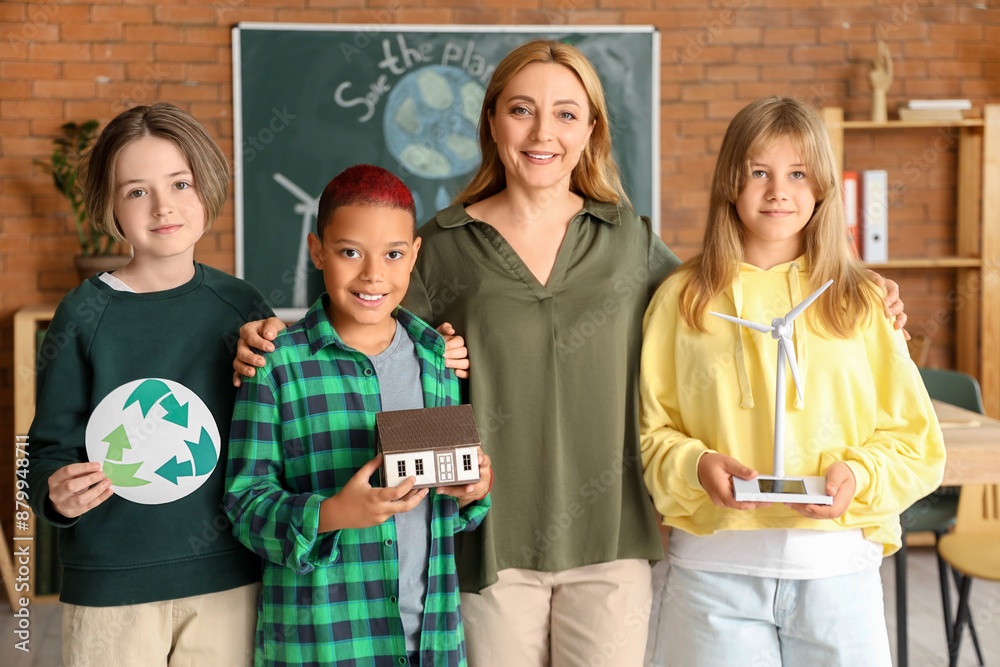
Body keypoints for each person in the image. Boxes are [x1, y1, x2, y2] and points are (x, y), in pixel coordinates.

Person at [233, 43, 908, 666]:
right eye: (521, 110)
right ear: (493, 120)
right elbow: (365, 338)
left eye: (565, 113)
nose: (541, 133)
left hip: (610, 539)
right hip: (484, 541)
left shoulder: (627, 238)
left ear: (591, 130)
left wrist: (845, 286)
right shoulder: (440, 243)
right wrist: (267, 339)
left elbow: (728, 306)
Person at [638, 97, 946, 666]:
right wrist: (696, 466)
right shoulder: (681, 301)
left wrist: (858, 473)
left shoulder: (862, 301)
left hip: (838, 578)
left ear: (823, 186)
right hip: (713, 575)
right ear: (731, 182)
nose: (779, 190)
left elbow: (916, 442)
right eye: (760, 172)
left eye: (798, 173)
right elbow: (649, 435)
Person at [26, 103, 272, 666]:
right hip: (113, 584)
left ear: (205, 185)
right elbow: (44, 451)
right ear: (109, 205)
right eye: (136, 191)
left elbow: (272, 431)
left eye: (180, 183)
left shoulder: (242, 305)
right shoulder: (83, 314)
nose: (164, 207)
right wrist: (52, 496)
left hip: (229, 575)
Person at [224, 164, 492, 666]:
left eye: (393, 255)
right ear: (317, 251)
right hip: (326, 641)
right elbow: (244, 504)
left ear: (414, 255)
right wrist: (333, 514)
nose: (373, 275)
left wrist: (474, 487)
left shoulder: (437, 358)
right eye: (350, 252)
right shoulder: (275, 363)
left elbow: (442, 506)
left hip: (429, 638)